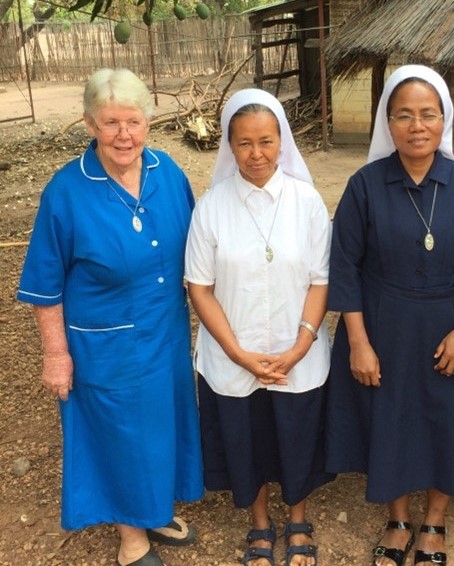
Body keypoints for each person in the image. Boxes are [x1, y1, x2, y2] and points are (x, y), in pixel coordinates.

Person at [16, 68, 204, 566]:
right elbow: (44, 285)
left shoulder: (169, 173)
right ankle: (131, 536)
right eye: (110, 123)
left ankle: (154, 507)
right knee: (120, 433)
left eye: (134, 122)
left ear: (149, 123)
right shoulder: (67, 191)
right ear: (89, 125)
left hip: (165, 333)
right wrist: (55, 354)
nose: (124, 134)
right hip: (104, 343)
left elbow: (200, 254)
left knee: (163, 425)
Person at [326, 65, 454, 566]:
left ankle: (435, 522)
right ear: (388, 123)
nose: (417, 125)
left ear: (443, 119)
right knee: (391, 419)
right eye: (404, 115)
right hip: (383, 323)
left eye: (428, 114)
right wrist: (358, 342)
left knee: (445, 420)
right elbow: (343, 266)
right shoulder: (365, 185)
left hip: (451, 323)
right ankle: (399, 518)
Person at [185, 88, 333, 566]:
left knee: (294, 437)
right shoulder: (211, 207)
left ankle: (298, 520)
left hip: (298, 353)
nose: (256, 154)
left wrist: (300, 344)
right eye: (244, 143)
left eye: (266, 141)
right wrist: (237, 353)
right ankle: (260, 524)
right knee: (247, 442)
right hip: (234, 354)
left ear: (282, 141)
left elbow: (320, 279)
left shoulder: (307, 202)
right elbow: (199, 287)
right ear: (229, 146)